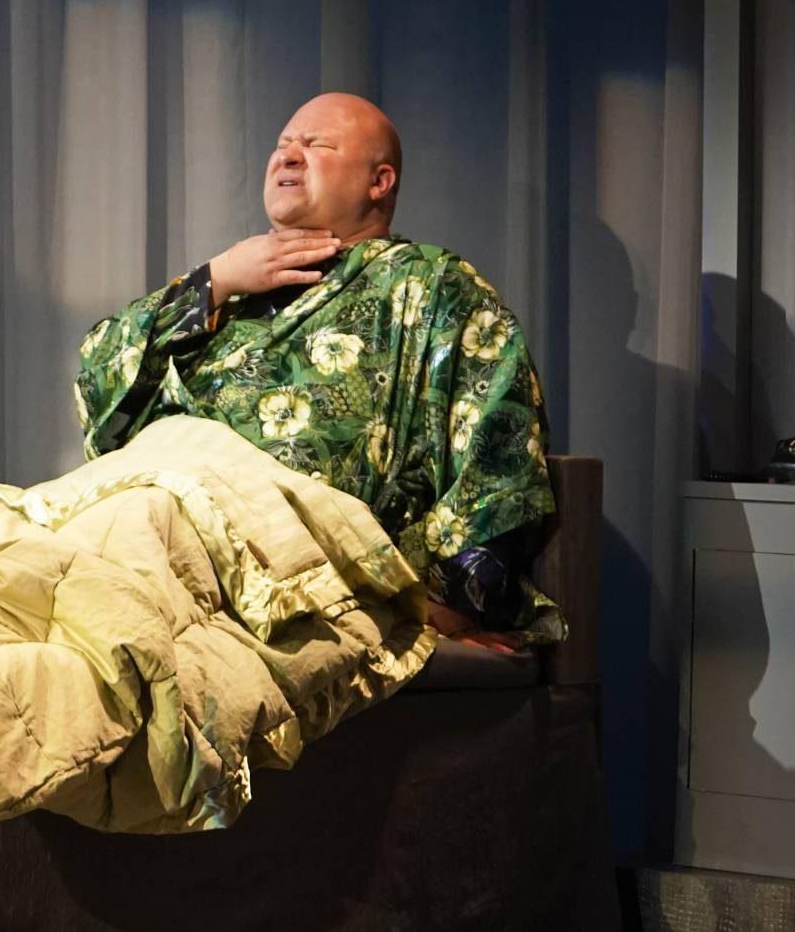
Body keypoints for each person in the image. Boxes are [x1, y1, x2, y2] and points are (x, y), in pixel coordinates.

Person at [75, 93, 559, 650]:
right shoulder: (232, 290)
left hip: (280, 560)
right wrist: (217, 279)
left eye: (316, 145)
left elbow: (499, 450)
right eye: (282, 145)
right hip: (149, 515)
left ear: (379, 182)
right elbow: (98, 382)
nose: (287, 156)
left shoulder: (431, 286)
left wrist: (449, 606)